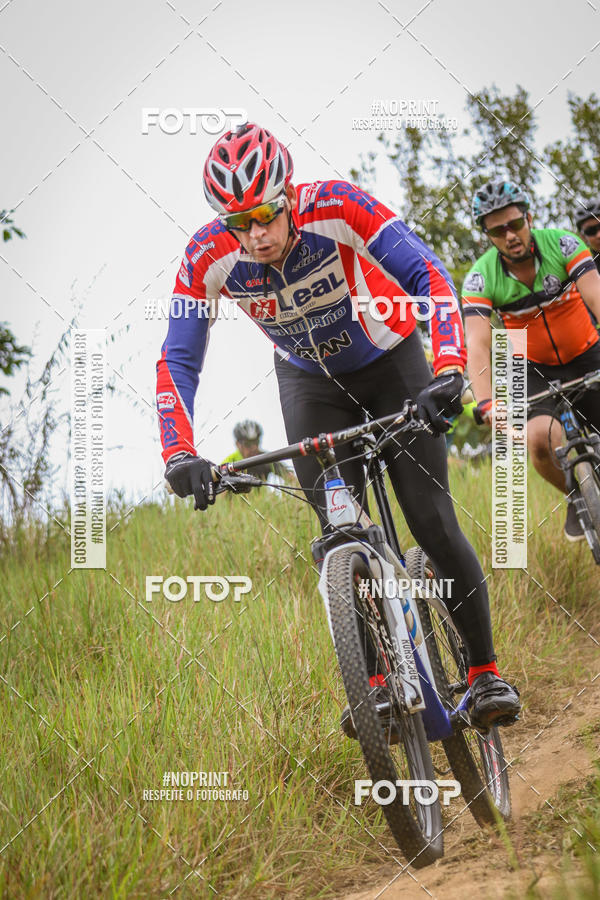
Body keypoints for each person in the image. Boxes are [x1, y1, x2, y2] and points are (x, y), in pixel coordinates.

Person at [156, 122, 520, 732]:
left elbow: (429, 276)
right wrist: (178, 452)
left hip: (391, 363)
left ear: (288, 194)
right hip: (311, 384)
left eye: (266, 213)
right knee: (338, 533)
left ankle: (485, 674)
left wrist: (449, 370)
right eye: (239, 221)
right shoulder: (207, 256)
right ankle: (373, 685)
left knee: (430, 520)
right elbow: (178, 357)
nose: (257, 233)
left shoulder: (337, 205)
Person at [463, 179, 600, 540]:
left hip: (587, 353)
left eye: (515, 224)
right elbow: (477, 343)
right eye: (498, 230)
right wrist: (486, 401)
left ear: (529, 218)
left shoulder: (563, 243)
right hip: (534, 368)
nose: (510, 235)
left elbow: (596, 296)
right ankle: (575, 496)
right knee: (539, 439)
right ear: (488, 236)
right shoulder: (481, 277)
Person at [222, 419, 289, 482]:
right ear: (238, 444)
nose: (254, 447)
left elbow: (291, 477)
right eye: (248, 444)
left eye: (256, 442)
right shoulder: (229, 462)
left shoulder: (265, 458)